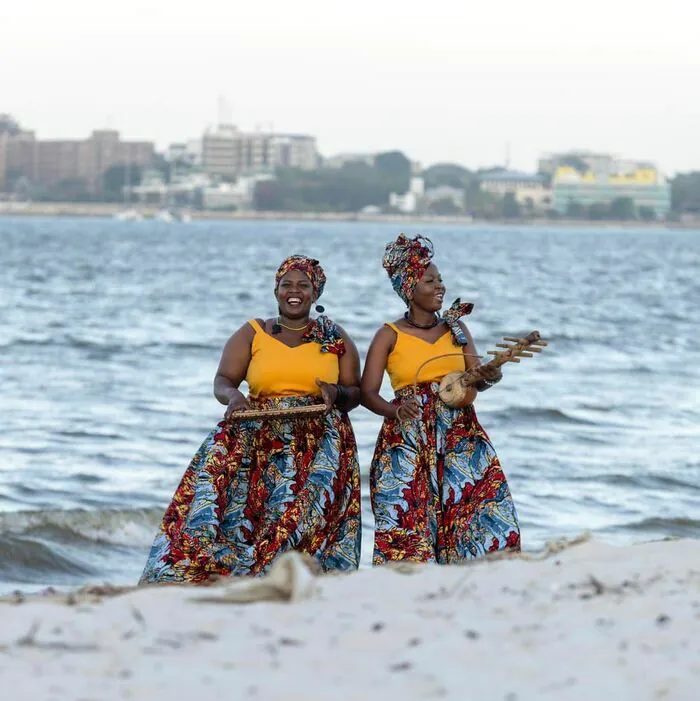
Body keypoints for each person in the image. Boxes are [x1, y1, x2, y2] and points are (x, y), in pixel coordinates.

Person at [140, 255, 362, 583]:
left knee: (297, 517)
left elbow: (355, 392)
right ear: (276, 291)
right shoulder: (252, 332)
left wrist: (336, 394)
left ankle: (288, 576)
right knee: (219, 496)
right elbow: (223, 380)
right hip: (258, 433)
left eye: (303, 285)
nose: (294, 291)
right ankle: (221, 573)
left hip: (318, 440)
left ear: (316, 294)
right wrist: (234, 397)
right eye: (286, 284)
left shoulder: (335, 338)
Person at [361, 234, 520, 566]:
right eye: (430, 280)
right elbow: (367, 392)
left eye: (441, 279)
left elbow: (475, 378)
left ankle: (476, 579)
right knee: (407, 518)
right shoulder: (388, 334)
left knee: (478, 509)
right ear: (409, 287)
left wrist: (491, 375)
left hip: (460, 436)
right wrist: (394, 409)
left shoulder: (456, 328)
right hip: (407, 437)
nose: (440, 287)